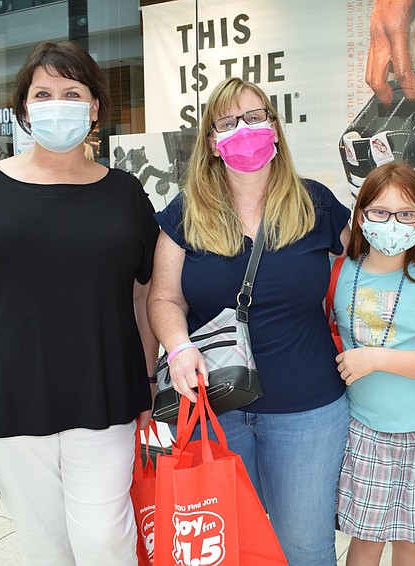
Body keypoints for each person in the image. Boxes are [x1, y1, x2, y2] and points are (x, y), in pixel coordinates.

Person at [0, 40, 159, 566]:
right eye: (43, 93)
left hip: (106, 398)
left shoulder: (126, 194)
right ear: (24, 108)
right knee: (45, 546)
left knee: (105, 539)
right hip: (5, 401)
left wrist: (148, 383)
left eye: (72, 92)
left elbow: (142, 299)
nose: (57, 103)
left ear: (94, 109)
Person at [149, 76, 351, 565]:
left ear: (275, 130)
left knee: (304, 547)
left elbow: (373, 268)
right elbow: (163, 297)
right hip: (213, 404)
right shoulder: (187, 213)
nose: (244, 128)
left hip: (308, 410)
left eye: (255, 117)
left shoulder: (315, 203)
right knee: (231, 548)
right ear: (213, 143)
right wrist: (177, 347)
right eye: (228, 122)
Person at [331, 161, 415, 565]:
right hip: (365, 432)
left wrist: (376, 358)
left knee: (412, 544)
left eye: (406, 214)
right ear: (361, 216)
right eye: (380, 212)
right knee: (366, 540)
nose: (392, 223)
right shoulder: (341, 272)